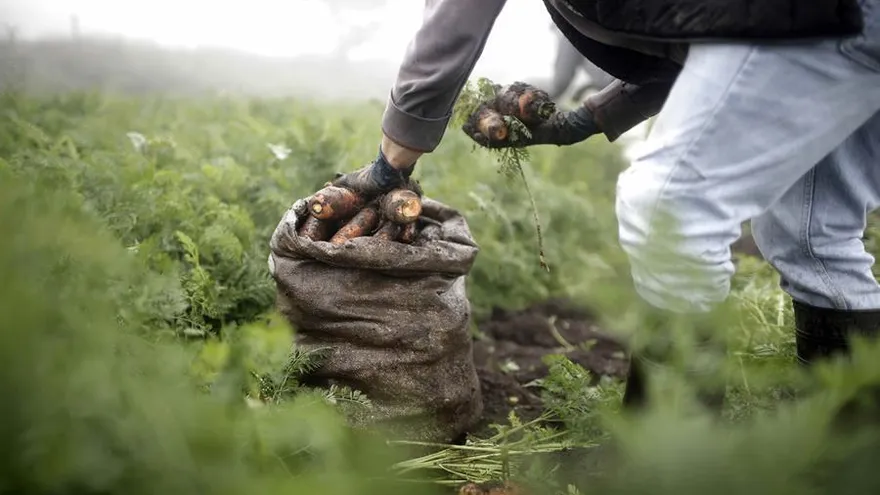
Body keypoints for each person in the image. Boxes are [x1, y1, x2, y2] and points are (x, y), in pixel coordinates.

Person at [331, 0, 878, 413]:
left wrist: (393, 158)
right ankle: (846, 454)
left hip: (826, 15)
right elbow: (711, 28)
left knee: (667, 212)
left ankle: (678, 465)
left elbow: (457, 15)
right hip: (840, 19)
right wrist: (589, 117)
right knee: (811, 235)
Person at [546, 22, 615, 101]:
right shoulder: (589, 25)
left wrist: (546, 98)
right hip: (620, 82)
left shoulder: (569, 32)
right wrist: (585, 88)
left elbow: (562, 78)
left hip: (617, 86)